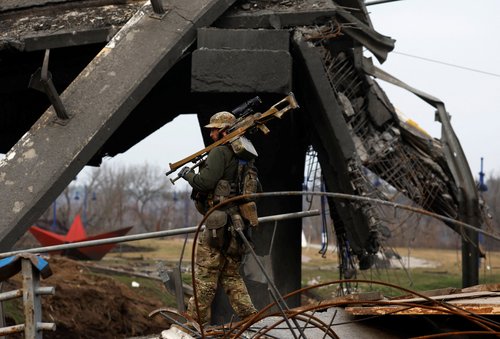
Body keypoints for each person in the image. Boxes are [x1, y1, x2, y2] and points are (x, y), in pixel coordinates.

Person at [177, 111, 258, 326]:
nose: (211, 134)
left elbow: (205, 183)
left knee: (205, 278)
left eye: (214, 129)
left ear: (224, 130)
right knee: (231, 276)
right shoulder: (243, 156)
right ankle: (251, 320)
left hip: (217, 226)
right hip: (237, 223)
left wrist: (188, 175)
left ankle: (194, 326)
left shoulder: (220, 152)